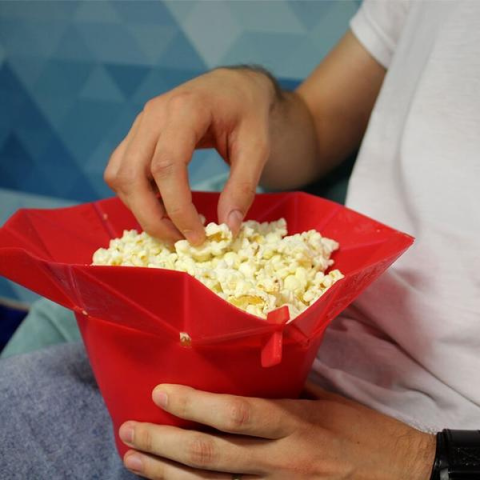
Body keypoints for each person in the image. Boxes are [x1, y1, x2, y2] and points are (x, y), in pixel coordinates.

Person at [1, 0, 479, 478]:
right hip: (265, 356)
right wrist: (247, 88)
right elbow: (315, 125)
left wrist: (420, 460)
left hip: (424, 440)